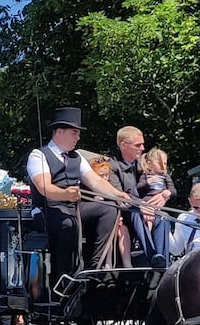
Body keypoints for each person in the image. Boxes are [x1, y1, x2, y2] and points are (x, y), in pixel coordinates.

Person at [25, 107, 130, 284]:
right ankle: (63, 279)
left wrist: (119, 195)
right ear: (59, 131)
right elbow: (44, 187)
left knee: (109, 209)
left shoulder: (77, 157)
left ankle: (94, 268)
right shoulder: (38, 155)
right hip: (48, 210)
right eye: (75, 133)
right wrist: (65, 194)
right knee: (68, 223)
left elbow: (95, 182)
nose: (78, 137)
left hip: (73, 209)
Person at [133, 147, 175, 265]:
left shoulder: (165, 177)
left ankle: (161, 256)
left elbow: (173, 189)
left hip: (159, 205)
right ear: (149, 163)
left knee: (162, 218)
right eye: (159, 162)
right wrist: (148, 183)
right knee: (147, 219)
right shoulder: (145, 176)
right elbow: (138, 189)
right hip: (147, 201)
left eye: (165, 163)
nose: (163, 166)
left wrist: (168, 193)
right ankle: (148, 245)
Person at [89, 156, 131, 268]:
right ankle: (107, 263)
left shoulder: (111, 187)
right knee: (109, 229)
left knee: (123, 230)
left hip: (114, 219)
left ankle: (128, 265)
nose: (105, 178)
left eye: (107, 175)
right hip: (96, 223)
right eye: (101, 176)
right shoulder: (89, 189)